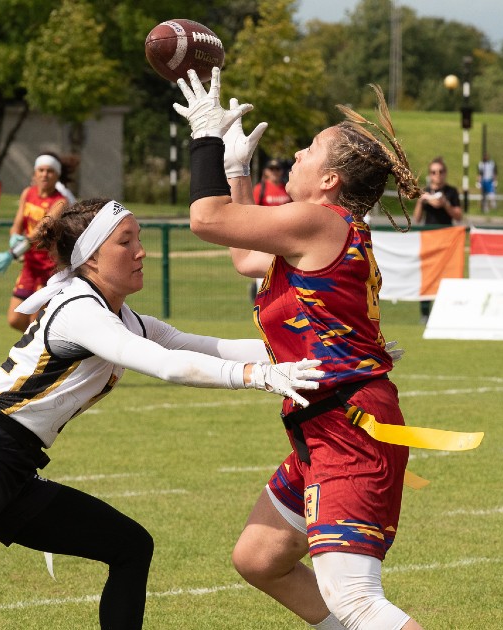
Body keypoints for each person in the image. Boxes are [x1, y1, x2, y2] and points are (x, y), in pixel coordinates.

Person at [0, 198, 326, 630]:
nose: (141, 251)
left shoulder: (120, 315)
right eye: (126, 241)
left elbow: (202, 346)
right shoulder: (80, 310)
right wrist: (259, 376)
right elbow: (166, 365)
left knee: (130, 547)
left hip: (13, 465)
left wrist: (318, 348)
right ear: (92, 257)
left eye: (139, 239)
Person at [175, 68, 425, 630]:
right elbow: (246, 257)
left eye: (310, 149)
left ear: (329, 179)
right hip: (326, 423)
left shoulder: (318, 221)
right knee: (259, 558)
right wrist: (236, 172)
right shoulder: (320, 229)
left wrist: (206, 139)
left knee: (355, 599)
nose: (296, 153)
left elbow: (206, 219)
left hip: (349, 425)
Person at [0, 154, 71, 331]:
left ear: (57, 175)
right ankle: (39, 342)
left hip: (49, 268)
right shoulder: (28, 193)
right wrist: (14, 237)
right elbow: (17, 225)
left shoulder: (60, 202)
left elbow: (41, 231)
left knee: (36, 321)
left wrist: (12, 254)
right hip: (30, 266)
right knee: (15, 319)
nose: (44, 174)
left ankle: (38, 345)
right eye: (41, 170)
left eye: (50, 171)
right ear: (34, 173)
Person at [412, 156, 462, 320]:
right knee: (428, 276)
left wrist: (445, 203)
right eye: (434, 172)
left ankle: (448, 311)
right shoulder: (426, 192)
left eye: (440, 172)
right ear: (430, 174)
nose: (437, 175)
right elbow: (417, 218)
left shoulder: (451, 192)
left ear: (445, 173)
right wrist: (421, 201)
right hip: (429, 239)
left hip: (448, 239)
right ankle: (425, 313)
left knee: (448, 276)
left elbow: (458, 216)